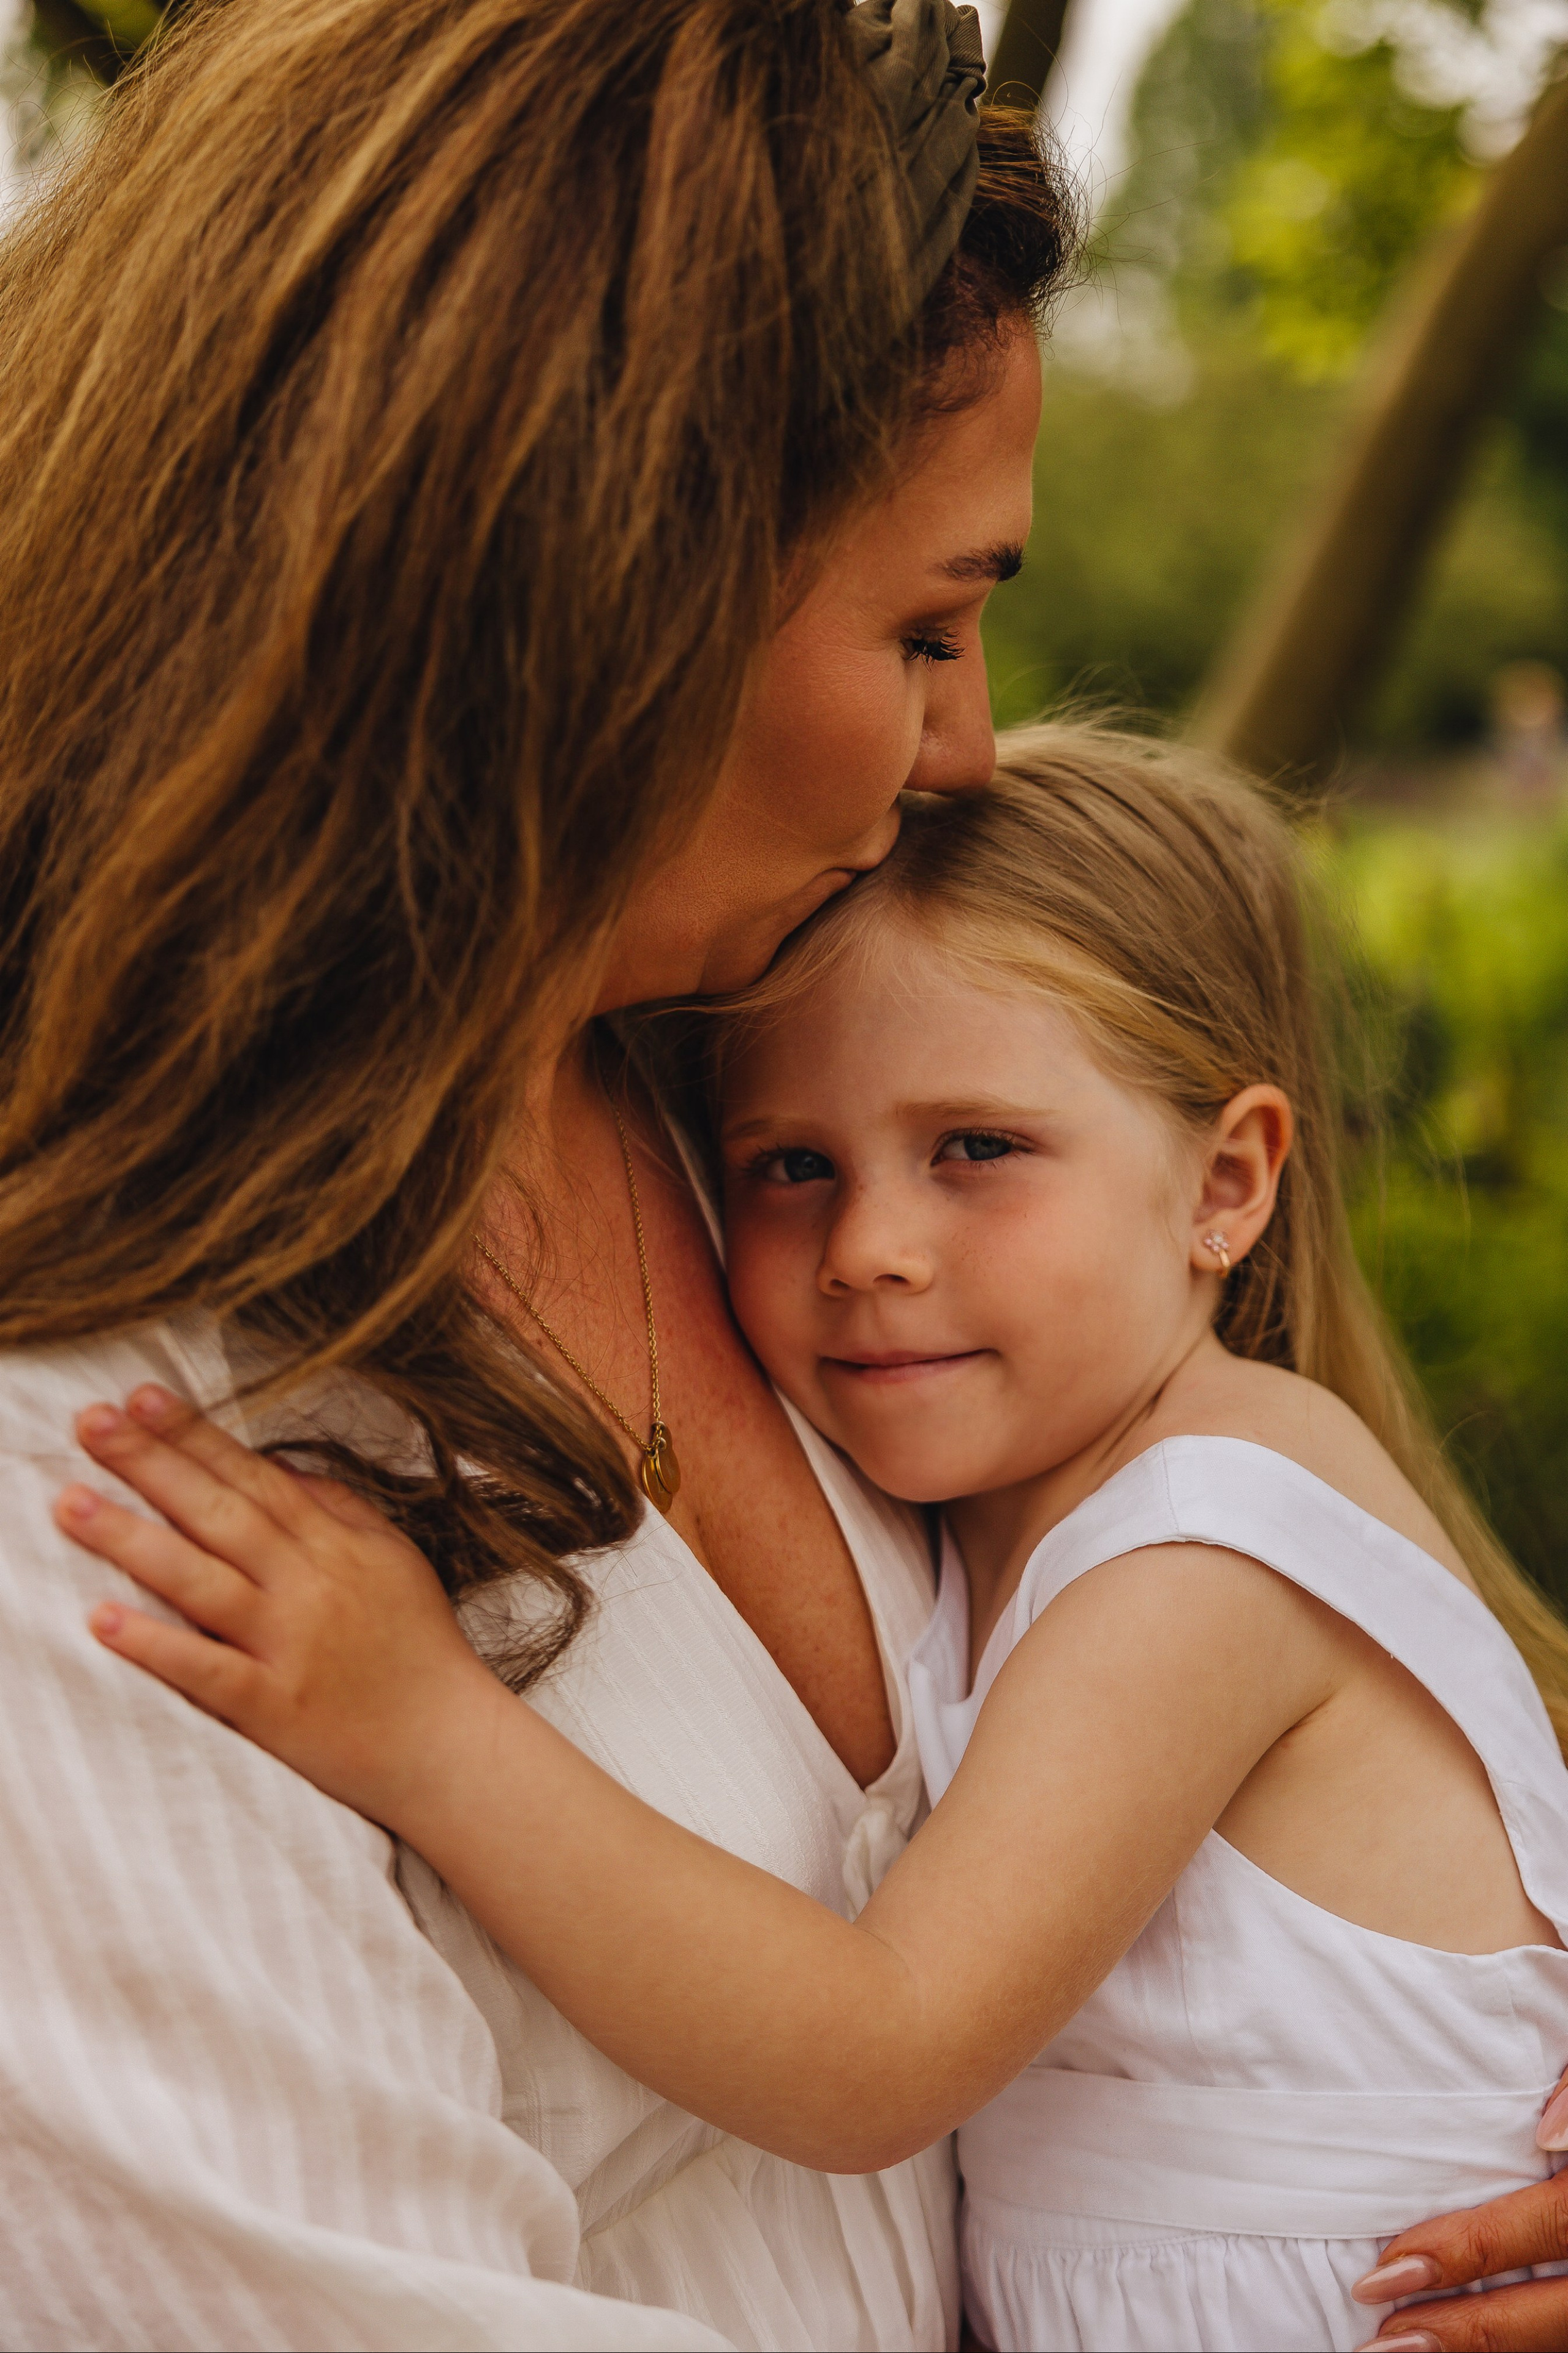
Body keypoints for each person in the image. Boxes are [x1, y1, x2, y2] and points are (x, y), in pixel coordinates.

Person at [69, 728, 1568, 2353]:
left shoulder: (1204, 1552)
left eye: (977, 1149)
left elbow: (882, 2052)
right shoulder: (1015, 1506)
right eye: (790, 1166)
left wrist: (428, 1727)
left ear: (1225, 1180)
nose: (868, 1247)